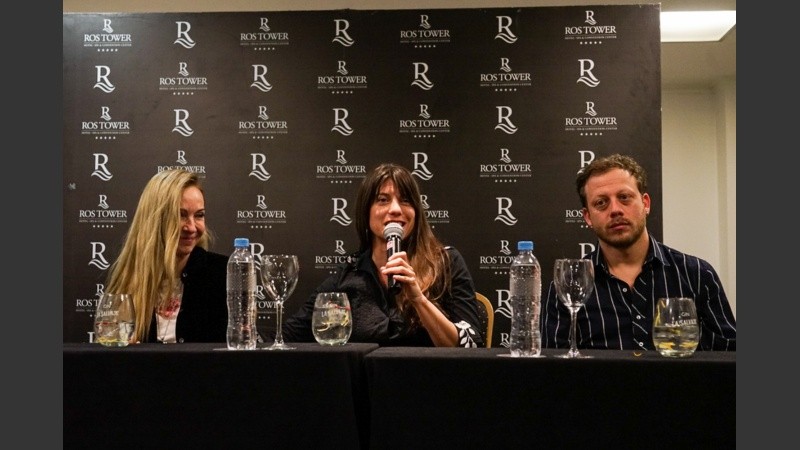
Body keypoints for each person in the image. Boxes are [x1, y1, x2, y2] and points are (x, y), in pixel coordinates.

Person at [541, 154, 736, 351]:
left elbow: (727, 360)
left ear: (646, 203)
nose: (615, 210)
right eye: (601, 203)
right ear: (588, 217)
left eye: (624, 198)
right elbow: (555, 370)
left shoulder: (697, 275)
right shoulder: (567, 287)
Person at [282, 163, 485, 347]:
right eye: (382, 200)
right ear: (366, 211)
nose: (396, 209)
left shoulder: (445, 262)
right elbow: (289, 335)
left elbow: (472, 344)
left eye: (405, 200)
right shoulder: (349, 273)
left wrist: (418, 299)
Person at [103, 169, 228, 343]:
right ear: (156, 220)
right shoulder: (127, 279)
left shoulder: (226, 274)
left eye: (199, 215)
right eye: (180, 215)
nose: (192, 227)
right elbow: (109, 354)